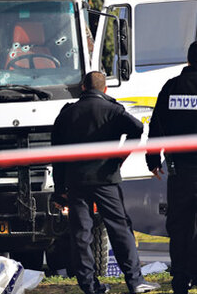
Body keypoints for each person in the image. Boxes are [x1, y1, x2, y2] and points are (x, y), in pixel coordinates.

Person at [51, 71, 160, 294]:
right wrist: (119, 156)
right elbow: (138, 128)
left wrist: (59, 189)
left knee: (81, 235)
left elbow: (57, 156)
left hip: (76, 182)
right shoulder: (113, 110)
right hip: (106, 179)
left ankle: (90, 287)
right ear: (105, 89)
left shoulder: (67, 114)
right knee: (120, 229)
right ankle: (135, 281)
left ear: (83, 87)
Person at [145, 41, 197, 294]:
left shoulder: (172, 87)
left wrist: (153, 160)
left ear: (188, 61)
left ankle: (181, 279)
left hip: (180, 170)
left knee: (180, 225)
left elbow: (156, 126)